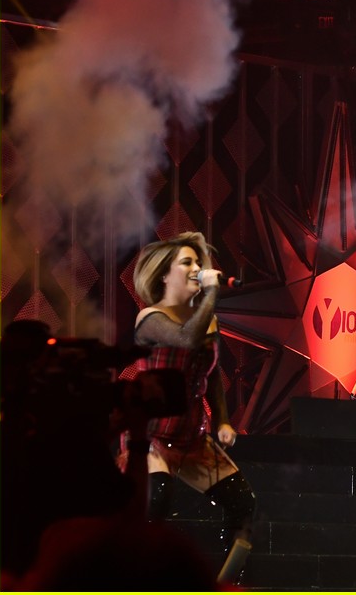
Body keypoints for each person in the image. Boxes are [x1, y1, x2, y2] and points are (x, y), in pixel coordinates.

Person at [123, 232, 256, 558]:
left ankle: (230, 582)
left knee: (242, 502)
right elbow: (185, 339)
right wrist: (211, 290)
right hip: (153, 433)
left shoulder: (206, 322)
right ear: (165, 275)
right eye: (187, 263)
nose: (196, 267)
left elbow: (210, 380)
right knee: (156, 501)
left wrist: (223, 421)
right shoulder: (150, 318)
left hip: (192, 436)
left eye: (198, 262)